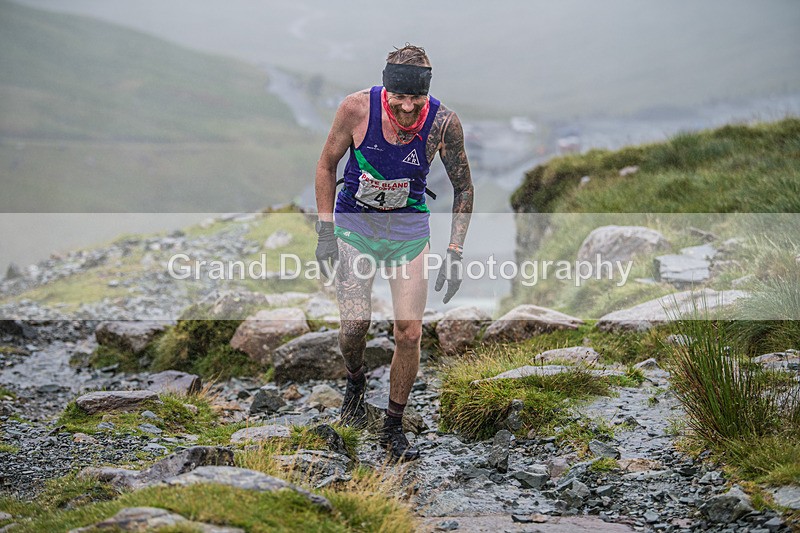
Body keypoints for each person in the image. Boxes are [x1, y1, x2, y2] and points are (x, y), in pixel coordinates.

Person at [314, 44, 473, 461]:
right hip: (355, 225)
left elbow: (465, 187)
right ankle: (354, 379)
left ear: (426, 94)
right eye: (398, 98)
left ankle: (392, 424)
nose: (406, 107)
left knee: (410, 332)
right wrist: (324, 230)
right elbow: (327, 164)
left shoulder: (443, 122)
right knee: (354, 324)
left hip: (407, 231)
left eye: (415, 99)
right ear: (385, 89)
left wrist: (454, 251)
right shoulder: (355, 109)